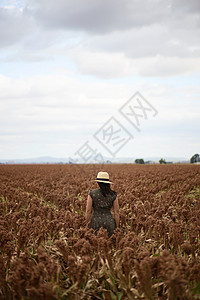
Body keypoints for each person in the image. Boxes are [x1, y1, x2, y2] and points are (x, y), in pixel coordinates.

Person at [86, 171, 119, 237]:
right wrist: (117, 227)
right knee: (109, 244)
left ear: (98, 182)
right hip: (109, 222)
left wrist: (87, 225)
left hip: (95, 222)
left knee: (95, 243)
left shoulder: (92, 193)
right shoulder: (113, 194)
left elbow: (88, 211)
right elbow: (116, 212)